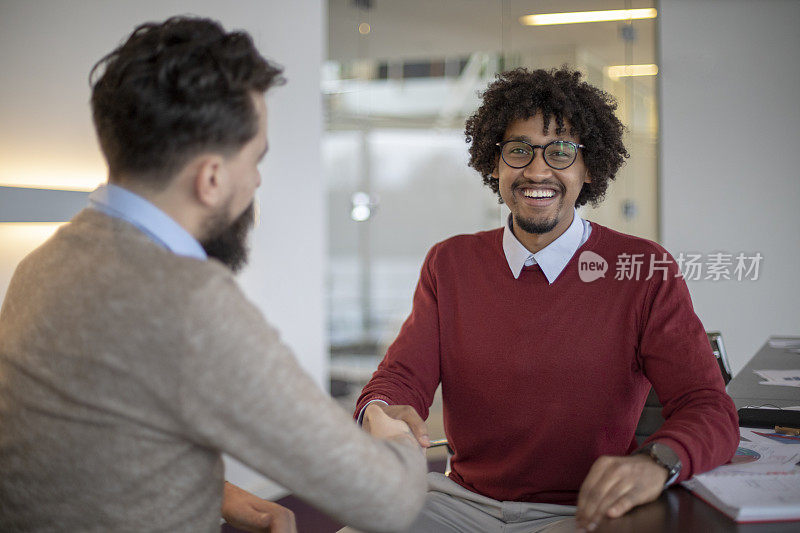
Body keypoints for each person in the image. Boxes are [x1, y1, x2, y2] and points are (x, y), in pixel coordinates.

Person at [0, 16, 427, 533]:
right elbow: (388, 501)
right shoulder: (189, 303)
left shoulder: (39, 267)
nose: (257, 179)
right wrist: (388, 431)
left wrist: (220, 496)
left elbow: (85, 442)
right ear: (211, 178)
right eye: (255, 160)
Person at [351, 67, 739, 532]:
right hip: (457, 503)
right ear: (494, 165)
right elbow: (400, 378)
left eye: (560, 151)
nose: (537, 170)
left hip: (584, 512)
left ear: (588, 166)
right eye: (518, 151)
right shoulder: (449, 262)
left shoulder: (644, 269)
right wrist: (379, 409)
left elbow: (707, 406)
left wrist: (656, 462)